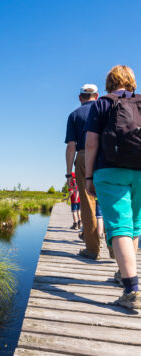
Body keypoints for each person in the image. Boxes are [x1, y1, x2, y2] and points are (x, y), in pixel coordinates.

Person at [85, 65, 141, 309]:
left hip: (109, 170)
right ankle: (123, 273)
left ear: (109, 82)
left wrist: (88, 177)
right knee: (135, 224)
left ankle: (132, 290)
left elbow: (90, 143)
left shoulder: (102, 104)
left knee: (119, 226)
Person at [65, 84, 100, 259]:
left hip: (84, 156)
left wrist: (67, 173)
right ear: (97, 95)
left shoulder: (74, 115)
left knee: (87, 203)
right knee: (110, 202)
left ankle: (92, 250)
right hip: (105, 155)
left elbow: (71, 146)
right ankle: (115, 250)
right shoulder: (106, 109)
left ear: (80, 97)